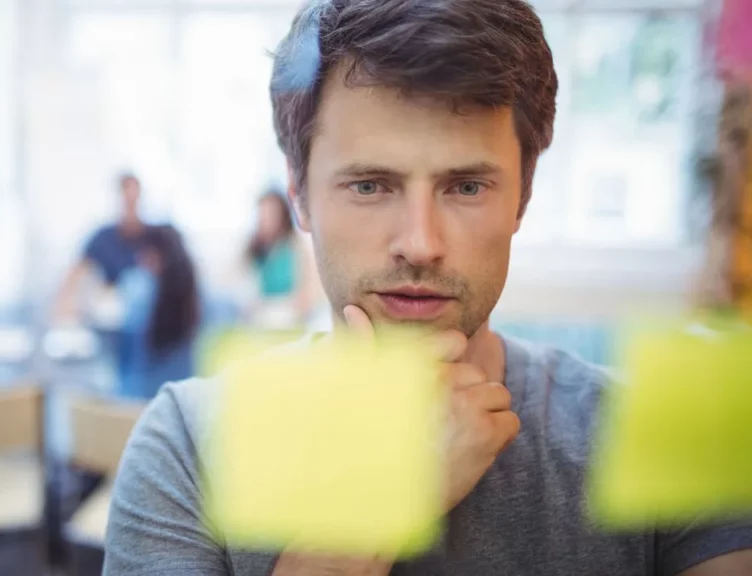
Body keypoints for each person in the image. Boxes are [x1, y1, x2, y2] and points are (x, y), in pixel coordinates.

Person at [104, 1, 752, 575]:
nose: (419, 242)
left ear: (524, 195)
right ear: (299, 194)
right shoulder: (187, 444)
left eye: (466, 187)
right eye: (370, 185)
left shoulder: (656, 434)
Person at [118, 224, 201, 400]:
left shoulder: (140, 289)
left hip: (138, 400)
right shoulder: (197, 297)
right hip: (182, 399)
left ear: (155, 255)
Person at [54, 172, 150, 322]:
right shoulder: (103, 238)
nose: (130, 204)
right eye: (126, 199)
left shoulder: (155, 237)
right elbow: (75, 273)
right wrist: (65, 304)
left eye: (134, 199)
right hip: (113, 316)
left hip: (148, 319)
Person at [241, 189, 318, 328]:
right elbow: (244, 288)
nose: (265, 219)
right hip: (260, 316)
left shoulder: (296, 246)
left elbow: (306, 293)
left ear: (282, 216)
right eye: (262, 214)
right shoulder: (253, 248)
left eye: (271, 214)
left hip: (290, 317)